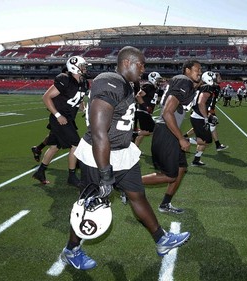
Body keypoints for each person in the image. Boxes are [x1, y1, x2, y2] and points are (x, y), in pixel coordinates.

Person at [60, 46, 190, 270]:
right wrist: (105, 175)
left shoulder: (126, 84)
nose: (143, 69)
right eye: (141, 65)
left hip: (123, 153)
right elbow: (100, 132)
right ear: (127, 63)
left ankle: (161, 239)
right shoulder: (109, 81)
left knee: (137, 196)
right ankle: (71, 250)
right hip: (99, 156)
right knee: (89, 205)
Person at [141, 60, 202, 214]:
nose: (199, 72)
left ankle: (165, 204)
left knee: (181, 169)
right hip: (167, 131)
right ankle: (127, 183)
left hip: (170, 131)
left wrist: (199, 83)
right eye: (197, 70)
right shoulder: (184, 81)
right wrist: (181, 139)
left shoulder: (185, 82)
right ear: (187, 70)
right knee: (170, 175)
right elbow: (167, 112)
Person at [32, 56, 89, 187]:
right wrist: (57, 115)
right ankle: (72, 176)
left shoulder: (83, 82)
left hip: (69, 118)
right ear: (74, 67)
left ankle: (40, 172)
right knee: (76, 145)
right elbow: (46, 97)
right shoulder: (65, 79)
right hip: (60, 119)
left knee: (54, 147)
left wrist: (84, 109)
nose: (85, 68)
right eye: (82, 66)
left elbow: (79, 99)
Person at [133, 71, 163, 146]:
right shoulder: (148, 86)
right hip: (143, 111)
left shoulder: (153, 88)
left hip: (144, 112)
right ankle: (133, 134)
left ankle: (135, 149)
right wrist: (146, 107)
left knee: (144, 132)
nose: (159, 82)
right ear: (153, 79)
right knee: (153, 130)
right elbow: (138, 96)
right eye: (158, 80)